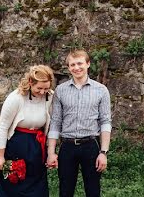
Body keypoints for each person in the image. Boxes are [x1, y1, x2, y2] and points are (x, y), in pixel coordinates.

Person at [46, 49, 112, 197]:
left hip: (91, 145)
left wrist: (103, 152)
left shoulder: (101, 90)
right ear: (68, 68)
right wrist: (51, 153)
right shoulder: (60, 91)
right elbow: (55, 122)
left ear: (88, 64)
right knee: (65, 190)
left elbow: (105, 122)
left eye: (80, 63)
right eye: (72, 64)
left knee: (93, 190)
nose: (76, 67)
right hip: (67, 146)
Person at [0, 64, 56, 197]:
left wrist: (50, 151)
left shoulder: (49, 97)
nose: (43, 92)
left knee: (36, 187)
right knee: (12, 184)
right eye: (39, 88)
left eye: (46, 88)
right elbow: (3, 127)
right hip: (14, 147)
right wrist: (0, 157)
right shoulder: (16, 98)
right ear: (31, 82)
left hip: (36, 147)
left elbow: (51, 125)